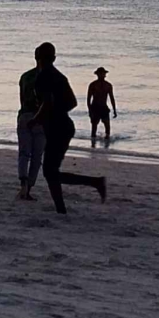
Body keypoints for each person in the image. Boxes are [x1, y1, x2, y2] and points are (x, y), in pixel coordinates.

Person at [30, 42, 106, 214]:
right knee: (51, 171)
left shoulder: (43, 77)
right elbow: (72, 102)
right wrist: (54, 111)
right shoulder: (59, 77)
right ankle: (64, 206)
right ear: (54, 58)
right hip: (64, 126)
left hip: (57, 127)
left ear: (37, 57)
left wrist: (36, 119)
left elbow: (47, 103)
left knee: (50, 171)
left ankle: (93, 184)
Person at [16, 60, 47, 201]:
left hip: (25, 114)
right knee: (36, 156)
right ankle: (28, 187)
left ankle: (23, 183)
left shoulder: (25, 76)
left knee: (24, 153)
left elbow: (22, 99)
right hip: (40, 118)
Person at [86, 67, 117, 143]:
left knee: (107, 127)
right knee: (94, 128)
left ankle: (107, 144)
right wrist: (90, 110)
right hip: (95, 107)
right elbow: (88, 99)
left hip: (104, 107)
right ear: (97, 74)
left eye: (103, 73)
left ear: (105, 74)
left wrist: (114, 110)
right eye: (100, 74)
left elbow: (112, 98)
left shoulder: (108, 85)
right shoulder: (93, 85)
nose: (102, 75)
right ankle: (93, 144)